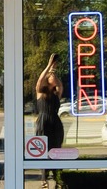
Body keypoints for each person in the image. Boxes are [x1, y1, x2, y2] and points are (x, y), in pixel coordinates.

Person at [35, 53, 64, 188]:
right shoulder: (41, 91)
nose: (52, 77)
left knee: (56, 148)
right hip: (43, 121)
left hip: (55, 122)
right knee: (43, 150)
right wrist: (48, 66)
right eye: (50, 76)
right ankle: (43, 179)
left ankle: (57, 177)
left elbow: (60, 85)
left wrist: (54, 72)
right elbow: (40, 80)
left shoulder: (56, 93)